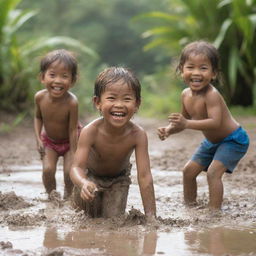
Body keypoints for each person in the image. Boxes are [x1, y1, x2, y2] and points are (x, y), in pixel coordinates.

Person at [158, 40, 249, 211]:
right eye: (190, 67)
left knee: (214, 173)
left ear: (213, 73)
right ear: (181, 70)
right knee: (188, 172)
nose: (196, 73)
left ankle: (214, 212)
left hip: (233, 140)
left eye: (203, 68)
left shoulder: (211, 95)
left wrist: (186, 123)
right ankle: (189, 206)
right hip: (212, 142)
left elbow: (215, 123)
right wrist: (169, 129)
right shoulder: (185, 95)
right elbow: (183, 121)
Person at [70, 67, 156, 220]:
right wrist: (83, 183)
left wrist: (151, 216)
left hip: (118, 180)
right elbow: (76, 167)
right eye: (112, 98)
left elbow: (144, 176)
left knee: (114, 221)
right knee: (83, 217)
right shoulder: (90, 131)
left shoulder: (138, 135)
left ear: (137, 104)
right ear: (98, 102)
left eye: (127, 99)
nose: (119, 104)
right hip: (91, 177)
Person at [34, 49, 81, 199]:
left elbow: (73, 129)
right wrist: (38, 139)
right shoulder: (40, 98)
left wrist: (74, 152)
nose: (58, 81)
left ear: (72, 81)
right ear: (42, 77)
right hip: (49, 142)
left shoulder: (72, 102)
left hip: (69, 142)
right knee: (47, 170)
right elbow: (38, 117)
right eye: (52, 75)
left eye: (64, 76)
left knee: (69, 172)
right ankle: (52, 196)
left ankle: (68, 196)